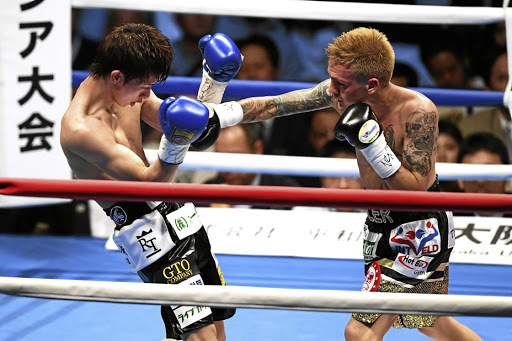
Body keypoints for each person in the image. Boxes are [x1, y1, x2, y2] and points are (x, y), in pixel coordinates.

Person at [193, 26, 482, 340]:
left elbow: (416, 190)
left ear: (371, 84)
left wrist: (373, 146)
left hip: (420, 230)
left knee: (359, 332)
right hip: (379, 221)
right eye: (331, 78)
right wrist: (218, 115)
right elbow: (279, 104)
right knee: (429, 320)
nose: (331, 89)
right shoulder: (343, 93)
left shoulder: (418, 112)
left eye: (340, 83)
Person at [60, 23, 242, 341]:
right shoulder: (81, 128)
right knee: (202, 337)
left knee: (215, 330)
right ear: (117, 77)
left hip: (177, 210)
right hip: (144, 228)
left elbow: (188, 129)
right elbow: (150, 179)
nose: (148, 95)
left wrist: (213, 85)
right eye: (145, 88)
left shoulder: (129, 87)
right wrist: (177, 138)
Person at [203, 123, 300, 209]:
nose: (227, 167)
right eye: (220, 157)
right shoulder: (205, 193)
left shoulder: (285, 193)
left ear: (257, 149)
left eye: (235, 157)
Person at [456, 132, 511, 216]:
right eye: (472, 173)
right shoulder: (444, 221)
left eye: (489, 172)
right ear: (460, 181)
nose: (480, 181)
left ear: (507, 179)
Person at [437, 119, 463, 192]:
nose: (442, 155)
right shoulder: (414, 192)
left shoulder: (471, 190)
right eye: (434, 148)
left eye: (450, 147)